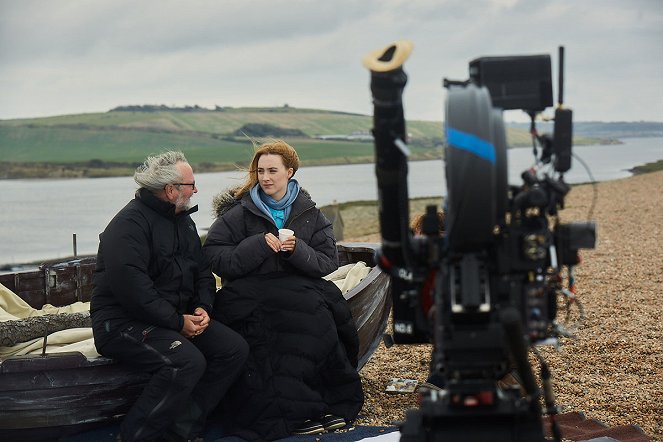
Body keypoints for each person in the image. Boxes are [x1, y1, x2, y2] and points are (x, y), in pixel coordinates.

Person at [202, 140, 364, 441]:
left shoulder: (309, 214)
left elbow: (328, 260)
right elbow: (215, 256)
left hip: (301, 289)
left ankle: (323, 404)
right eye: (260, 170)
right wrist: (258, 245)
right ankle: (292, 413)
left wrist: (296, 250)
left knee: (320, 324)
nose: (265, 177)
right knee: (269, 334)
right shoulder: (238, 214)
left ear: (289, 172)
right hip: (249, 293)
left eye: (273, 170)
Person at [90, 151, 248, 442]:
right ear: (171, 190)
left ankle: (182, 430)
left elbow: (202, 270)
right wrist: (177, 323)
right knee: (186, 361)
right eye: (191, 184)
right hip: (121, 323)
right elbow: (133, 291)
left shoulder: (182, 221)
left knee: (233, 349)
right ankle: (135, 435)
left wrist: (202, 307)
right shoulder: (128, 226)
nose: (196, 190)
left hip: (171, 318)